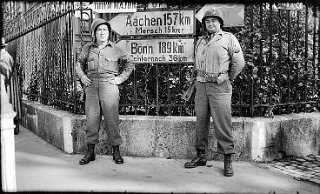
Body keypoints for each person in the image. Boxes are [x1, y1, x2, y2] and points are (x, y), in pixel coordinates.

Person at [184, 9, 245, 177]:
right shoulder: (201, 41)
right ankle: (201, 156)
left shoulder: (228, 38)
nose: (210, 24)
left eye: (213, 20)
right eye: (207, 21)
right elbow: (197, 64)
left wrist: (228, 77)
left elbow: (239, 63)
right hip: (202, 85)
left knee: (222, 123)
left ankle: (227, 159)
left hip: (220, 87)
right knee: (201, 120)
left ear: (220, 22)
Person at [75, 18, 134, 165]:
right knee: (92, 120)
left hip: (109, 86)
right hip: (92, 86)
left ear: (109, 33)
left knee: (112, 119)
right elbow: (78, 64)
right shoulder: (88, 48)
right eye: (99, 30)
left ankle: (116, 150)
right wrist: (82, 77)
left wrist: (120, 79)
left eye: (105, 30)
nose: (103, 32)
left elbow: (130, 63)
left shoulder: (115, 48)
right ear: (94, 33)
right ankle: (90, 151)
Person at [0, 37, 20, 135]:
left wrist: (4, 84)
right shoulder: (4, 56)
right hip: (9, 83)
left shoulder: (5, 57)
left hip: (8, 84)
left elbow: (7, 73)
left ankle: (14, 127)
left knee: (11, 103)